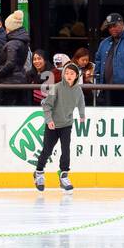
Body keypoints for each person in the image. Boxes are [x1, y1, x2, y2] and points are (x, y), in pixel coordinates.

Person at [35, 61, 85, 191]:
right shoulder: (56, 88)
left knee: (66, 150)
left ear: (76, 76)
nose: (69, 75)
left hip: (66, 124)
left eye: (72, 73)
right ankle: (39, 172)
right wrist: (49, 119)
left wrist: (82, 115)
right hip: (53, 125)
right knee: (47, 150)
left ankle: (64, 175)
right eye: (66, 73)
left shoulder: (78, 90)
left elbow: (81, 102)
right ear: (63, 74)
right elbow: (46, 104)